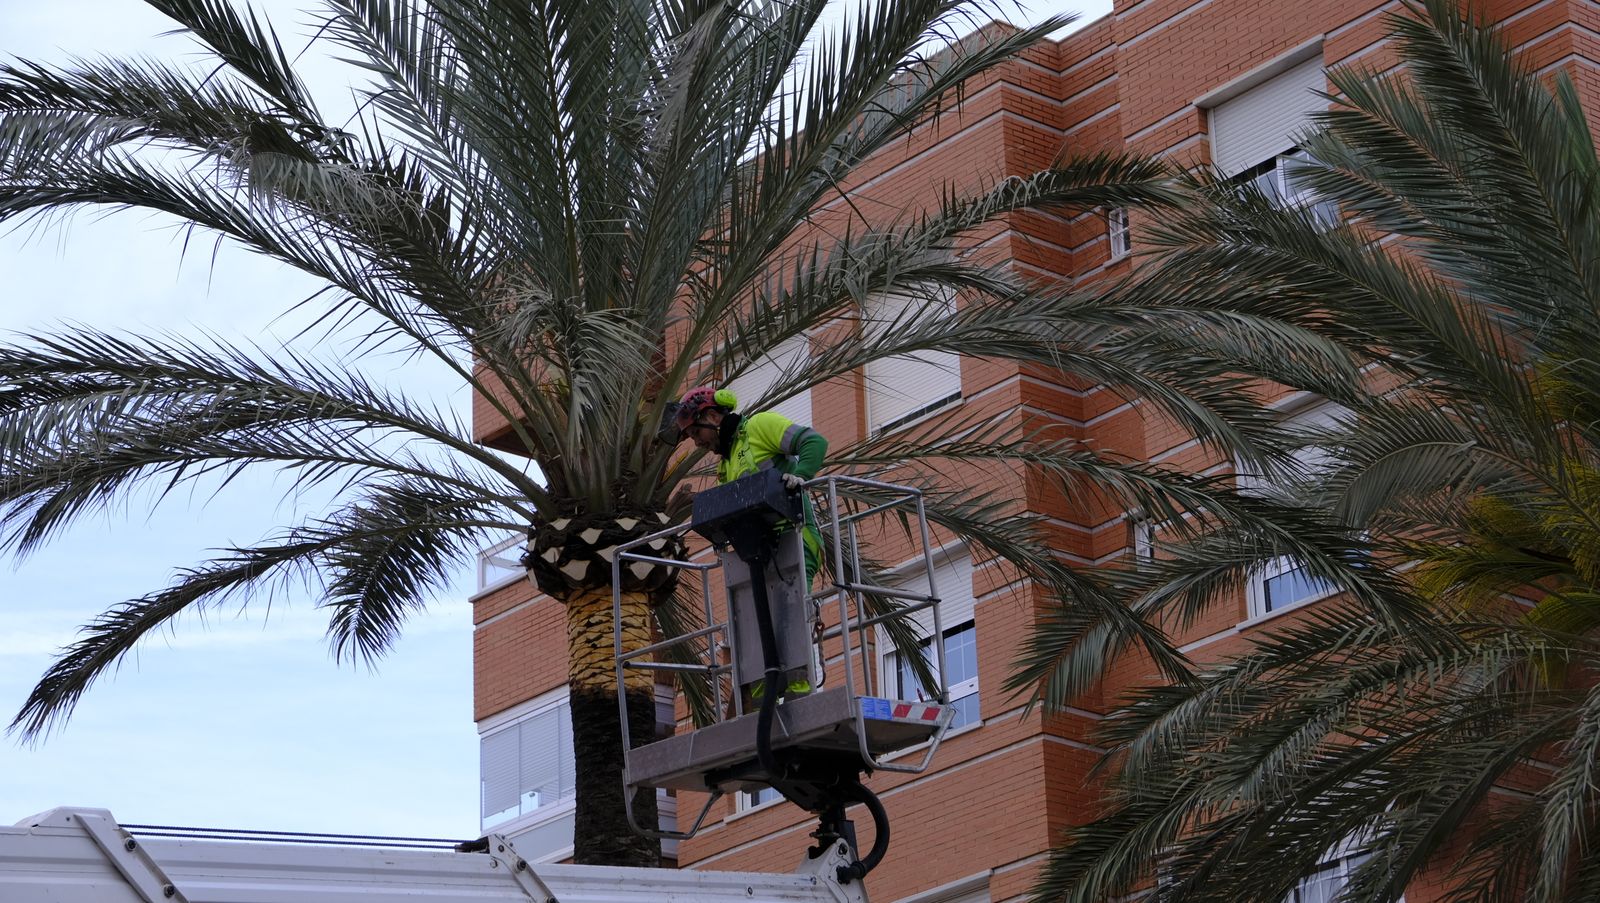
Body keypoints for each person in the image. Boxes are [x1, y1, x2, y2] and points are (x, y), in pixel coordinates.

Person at [673, 385, 827, 699]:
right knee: (751, 617)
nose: (697, 443)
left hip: (794, 534)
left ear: (713, 416)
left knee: (790, 609)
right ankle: (762, 696)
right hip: (757, 549)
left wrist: (801, 475)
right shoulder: (725, 464)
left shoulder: (759, 426)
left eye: (695, 433)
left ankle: (799, 689)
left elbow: (813, 441)